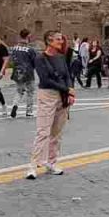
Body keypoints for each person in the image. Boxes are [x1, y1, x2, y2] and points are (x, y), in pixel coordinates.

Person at [27, 31, 74, 180]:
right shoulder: (40, 58)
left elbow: (67, 75)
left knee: (56, 133)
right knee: (43, 132)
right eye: (58, 39)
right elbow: (45, 80)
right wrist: (66, 89)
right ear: (49, 41)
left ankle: (51, 163)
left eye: (61, 39)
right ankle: (33, 166)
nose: (61, 41)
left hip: (62, 96)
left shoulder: (61, 57)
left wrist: (70, 92)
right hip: (47, 95)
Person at [6, 29, 38, 118]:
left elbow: (12, 60)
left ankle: (15, 105)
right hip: (28, 72)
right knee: (30, 92)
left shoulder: (15, 48)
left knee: (19, 91)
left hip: (17, 71)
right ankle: (29, 111)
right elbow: (35, 61)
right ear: (27, 36)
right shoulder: (30, 49)